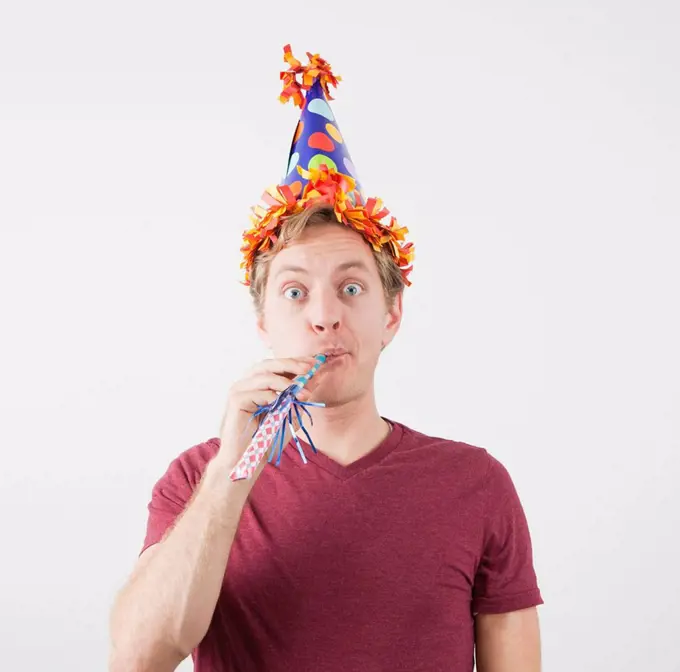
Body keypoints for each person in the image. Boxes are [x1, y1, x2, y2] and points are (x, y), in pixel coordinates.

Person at [109, 45, 544, 672]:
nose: (323, 315)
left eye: (351, 287)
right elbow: (136, 658)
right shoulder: (196, 479)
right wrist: (233, 471)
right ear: (263, 321)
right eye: (294, 291)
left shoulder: (477, 485)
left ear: (391, 316)